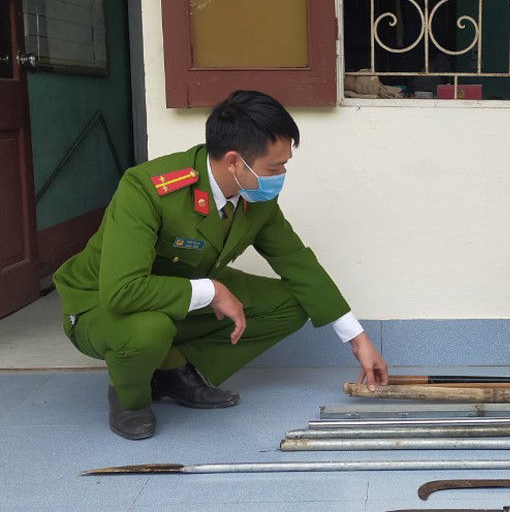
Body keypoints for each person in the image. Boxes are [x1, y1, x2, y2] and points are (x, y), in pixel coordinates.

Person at [53, 90, 388, 440]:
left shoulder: (254, 196)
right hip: (101, 304)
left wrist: (357, 338)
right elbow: (122, 291)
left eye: (285, 164)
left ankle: (173, 371)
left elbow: (296, 261)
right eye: (274, 167)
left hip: (177, 296)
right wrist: (211, 290)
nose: (282, 174)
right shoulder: (147, 189)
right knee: (148, 331)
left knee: (295, 302)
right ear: (233, 161)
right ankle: (129, 396)